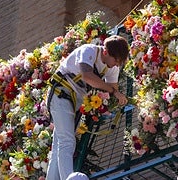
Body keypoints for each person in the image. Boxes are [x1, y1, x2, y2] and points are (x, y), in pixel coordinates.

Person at [45, 35, 129, 180]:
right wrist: (114, 91)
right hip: (61, 94)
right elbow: (87, 76)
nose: (116, 65)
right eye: (115, 60)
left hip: (74, 103)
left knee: (60, 142)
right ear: (105, 52)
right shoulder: (88, 51)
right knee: (67, 141)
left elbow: (112, 90)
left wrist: (118, 97)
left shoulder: (112, 68)